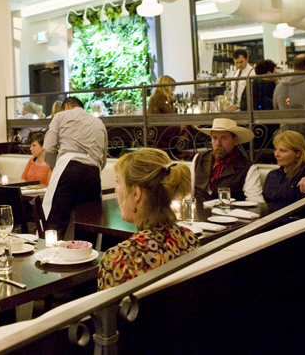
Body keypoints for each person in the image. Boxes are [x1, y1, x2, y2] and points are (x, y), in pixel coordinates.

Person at [98, 149, 200, 290]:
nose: (116, 190)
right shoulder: (188, 238)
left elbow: (107, 311)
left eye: (119, 183)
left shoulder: (121, 258)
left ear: (136, 193)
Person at [43, 96, 107, 238]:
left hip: (68, 168)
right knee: (88, 225)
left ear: (66, 106)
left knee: (56, 224)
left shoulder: (61, 116)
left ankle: (50, 257)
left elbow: (48, 148)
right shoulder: (99, 123)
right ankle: (87, 258)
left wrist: (56, 169)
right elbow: (102, 159)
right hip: (92, 173)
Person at [192, 118, 264, 203]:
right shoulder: (199, 159)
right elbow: (188, 191)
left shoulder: (247, 168)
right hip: (199, 213)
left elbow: (256, 201)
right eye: (214, 138)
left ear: (235, 140)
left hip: (230, 214)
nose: (218, 143)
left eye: (224, 138)